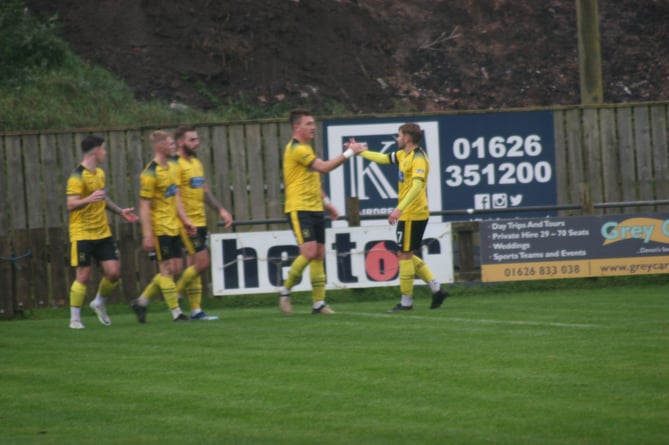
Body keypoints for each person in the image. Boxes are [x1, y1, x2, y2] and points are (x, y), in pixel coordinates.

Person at [351, 123, 448, 312]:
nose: (397, 139)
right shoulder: (404, 154)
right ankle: (436, 289)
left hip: (412, 213)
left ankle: (406, 302)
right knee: (405, 253)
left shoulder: (418, 158)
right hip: (409, 213)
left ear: (407, 138)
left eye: (399, 135)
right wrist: (359, 152)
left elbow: (417, 187)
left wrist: (399, 209)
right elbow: (383, 158)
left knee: (404, 255)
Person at [278, 108, 366, 315]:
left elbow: (311, 182)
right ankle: (285, 291)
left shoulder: (306, 149)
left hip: (315, 208)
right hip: (299, 209)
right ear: (296, 127)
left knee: (318, 254)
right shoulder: (296, 149)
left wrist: (327, 203)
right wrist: (349, 152)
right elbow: (325, 168)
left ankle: (318, 304)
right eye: (308, 124)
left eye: (313, 123)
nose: (313, 127)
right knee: (308, 252)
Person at [66, 135, 139, 329]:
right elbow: (71, 204)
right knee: (83, 275)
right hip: (82, 233)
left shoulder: (99, 173)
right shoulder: (77, 176)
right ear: (95, 150)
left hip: (102, 232)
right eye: (104, 149)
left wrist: (120, 211)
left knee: (114, 273)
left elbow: (102, 199)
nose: (105, 153)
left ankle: (98, 302)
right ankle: (75, 319)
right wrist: (88, 199)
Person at [131, 130, 196, 323]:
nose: (174, 147)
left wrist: (184, 221)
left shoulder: (172, 167)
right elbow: (144, 205)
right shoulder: (150, 173)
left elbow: (174, 196)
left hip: (173, 226)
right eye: (170, 145)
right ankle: (176, 313)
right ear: (160, 147)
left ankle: (141, 302)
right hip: (160, 228)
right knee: (166, 268)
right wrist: (147, 235)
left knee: (176, 269)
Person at [172, 125, 233, 320]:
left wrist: (221, 210)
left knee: (194, 265)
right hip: (186, 222)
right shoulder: (176, 165)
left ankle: (196, 310)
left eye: (197, 139)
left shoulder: (196, 163)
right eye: (192, 140)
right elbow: (176, 196)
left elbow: (204, 192)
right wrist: (185, 220)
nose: (196, 143)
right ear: (180, 142)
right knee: (202, 261)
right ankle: (175, 295)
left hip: (200, 220)